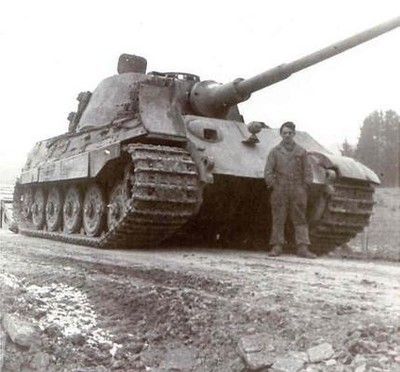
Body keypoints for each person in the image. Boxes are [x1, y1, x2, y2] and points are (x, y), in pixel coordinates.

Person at [264, 121, 316, 259]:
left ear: (294, 134)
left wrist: (305, 186)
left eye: (290, 133)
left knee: (300, 218)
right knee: (278, 218)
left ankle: (303, 247)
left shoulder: (301, 151)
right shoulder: (275, 151)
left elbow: (308, 171)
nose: (287, 135)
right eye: (285, 133)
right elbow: (268, 171)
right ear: (281, 134)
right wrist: (273, 185)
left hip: (297, 188)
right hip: (280, 188)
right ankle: (277, 246)